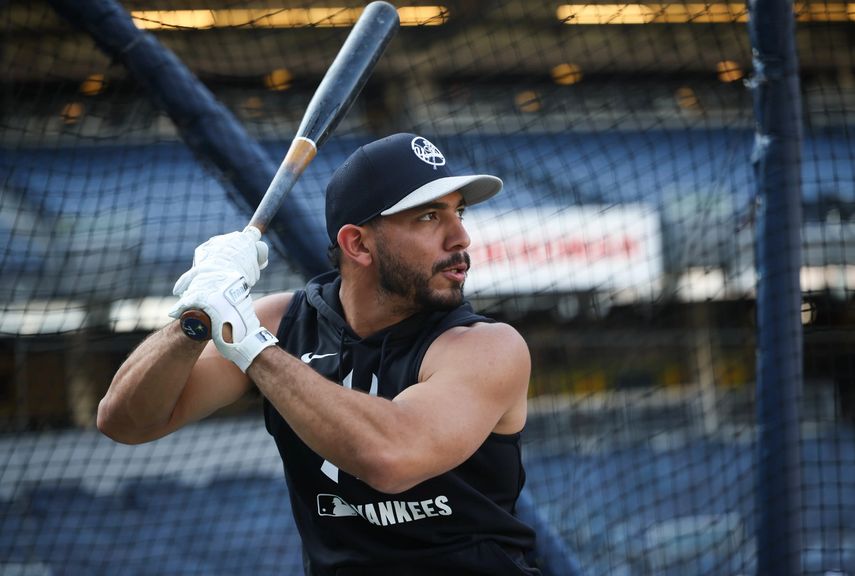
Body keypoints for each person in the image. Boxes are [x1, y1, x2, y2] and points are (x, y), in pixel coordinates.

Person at [98, 133, 540, 575]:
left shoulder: (486, 347)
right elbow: (125, 421)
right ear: (358, 245)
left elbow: (391, 458)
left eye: (458, 211)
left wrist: (250, 345)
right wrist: (195, 316)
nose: (460, 237)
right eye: (429, 216)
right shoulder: (282, 323)